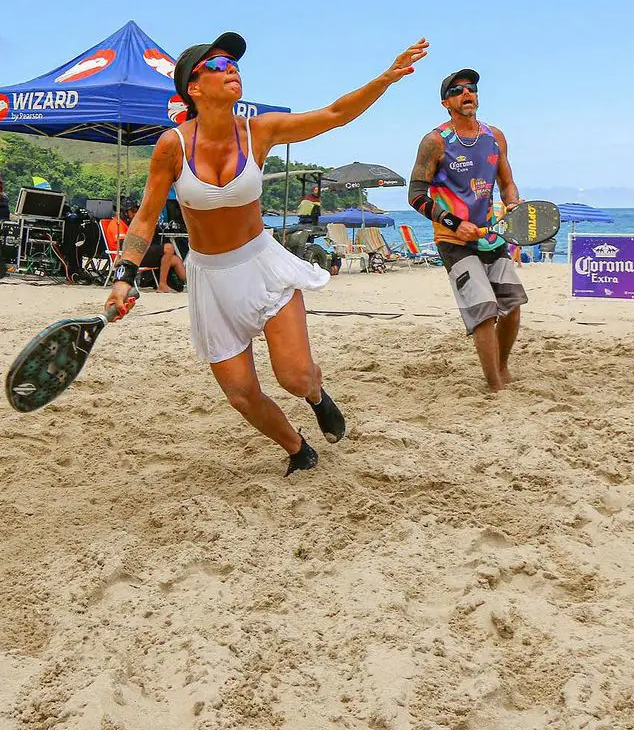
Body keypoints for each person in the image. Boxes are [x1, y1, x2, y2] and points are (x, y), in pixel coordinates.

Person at [106, 31, 428, 474]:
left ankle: (316, 395)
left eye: (234, 64)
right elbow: (144, 218)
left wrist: (386, 78)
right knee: (240, 394)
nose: (231, 70)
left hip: (261, 264)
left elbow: (335, 114)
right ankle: (299, 449)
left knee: (294, 377)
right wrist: (124, 276)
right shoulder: (172, 146)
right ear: (193, 88)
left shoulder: (259, 131)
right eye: (218, 65)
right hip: (210, 279)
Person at [407, 68, 527, 392]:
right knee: (484, 311)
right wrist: (454, 224)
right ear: (446, 103)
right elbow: (415, 196)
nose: (466, 93)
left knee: (513, 307)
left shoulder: (494, 136)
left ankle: (502, 366)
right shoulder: (435, 142)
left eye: (471, 88)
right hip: (453, 239)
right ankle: (494, 386)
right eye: (457, 91)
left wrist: (512, 202)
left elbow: (507, 182)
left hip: (491, 235)